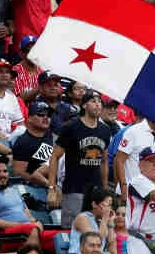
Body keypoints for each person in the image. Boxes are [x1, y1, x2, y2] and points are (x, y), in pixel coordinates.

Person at [47, 91, 115, 227]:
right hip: (74, 188)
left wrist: (105, 188)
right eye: (93, 101)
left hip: (95, 191)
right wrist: (51, 187)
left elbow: (104, 161)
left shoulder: (105, 130)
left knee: (95, 232)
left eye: (99, 102)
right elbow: (54, 156)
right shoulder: (72, 127)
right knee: (73, 230)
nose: (97, 105)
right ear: (84, 105)